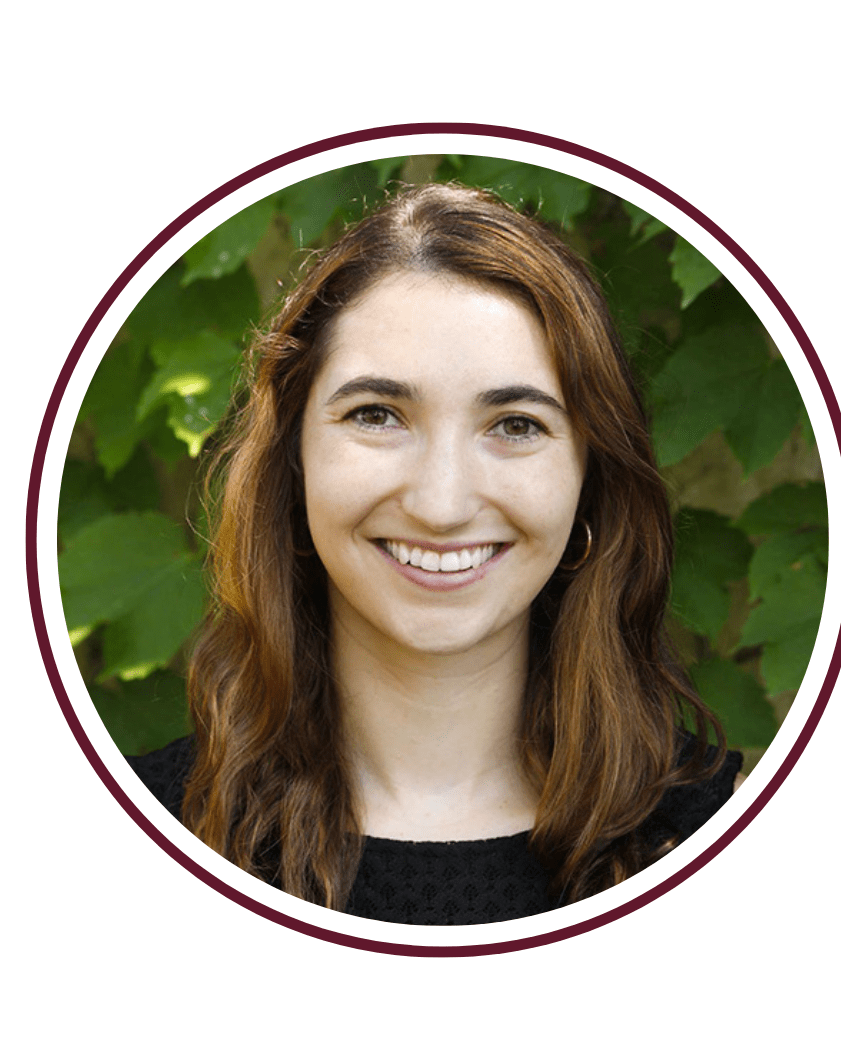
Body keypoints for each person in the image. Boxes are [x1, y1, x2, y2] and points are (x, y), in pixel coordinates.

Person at [129, 183, 742, 925]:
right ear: (293, 461)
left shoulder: (726, 839)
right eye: (377, 415)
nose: (442, 505)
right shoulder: (138, 832)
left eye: (516, 424)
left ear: (591, 479)